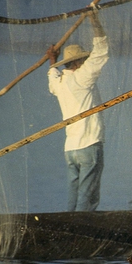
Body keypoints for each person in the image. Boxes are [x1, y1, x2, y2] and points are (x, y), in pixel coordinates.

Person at [46, 11, 109, 212]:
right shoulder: (81, 78)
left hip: (71, 149)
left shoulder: (60, 83)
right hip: (88, 144)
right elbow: (101, 52)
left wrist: (52, 59)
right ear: (76, 63)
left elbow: (52, 75)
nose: (84, 63)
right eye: (82, 60)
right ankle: (82, 224)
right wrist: (94, 20)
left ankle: (69, 223)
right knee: (87, 195)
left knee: (74, 191)